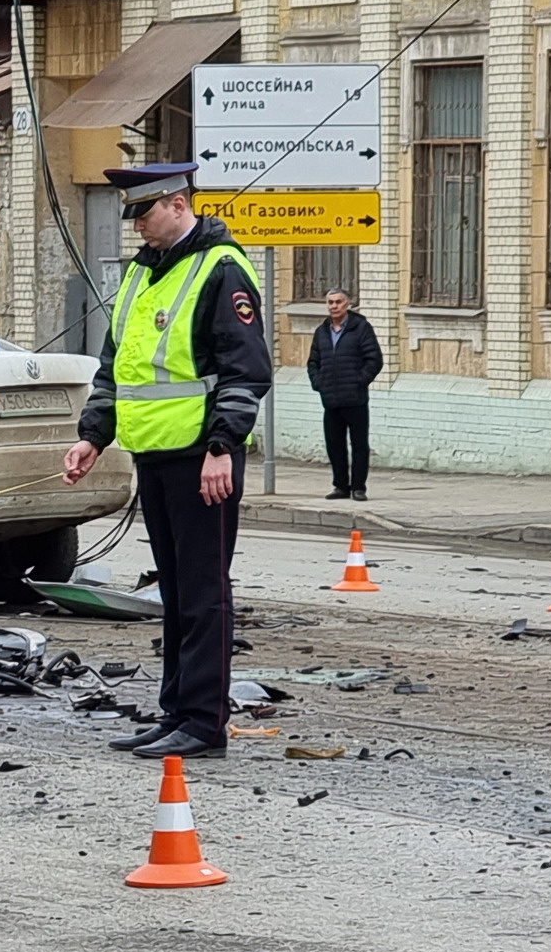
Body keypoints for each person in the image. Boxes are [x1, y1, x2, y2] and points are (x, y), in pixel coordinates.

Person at [61, 164, 270, 760]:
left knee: (205, 592)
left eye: (145, 216)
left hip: (201, 457)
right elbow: (116, 366)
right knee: (175, 592)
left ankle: (205, 722)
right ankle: (176, 709)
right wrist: (93, 436)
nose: (138, 229)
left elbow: (245, 370)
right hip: (153, 454)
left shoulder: (221, 269)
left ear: (178, 205)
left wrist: (222, 448)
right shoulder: (141, 273)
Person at [305, 286, 384, 502]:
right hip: (331, 399)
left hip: (355, 399)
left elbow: (374, 359)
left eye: (338, 302)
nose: (334, 306)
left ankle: (358, 487)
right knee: (335, 445)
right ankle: (340, 486)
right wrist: (319, 383)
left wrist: (359, 382)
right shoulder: (322, 332)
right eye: (330, 302)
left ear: (347, 304)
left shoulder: (361, 328)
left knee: (359, 445)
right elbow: (313, 362)